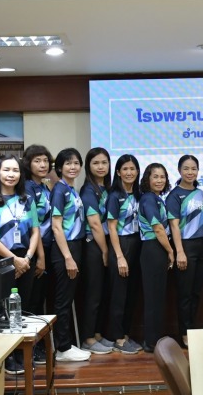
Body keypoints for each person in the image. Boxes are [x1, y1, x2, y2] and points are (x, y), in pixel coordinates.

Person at [0, 155, 40, 375]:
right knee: (2, 312)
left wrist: (28, 257)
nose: (11, 174)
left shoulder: (27, 199)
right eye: (6, 170)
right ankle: (8, 358)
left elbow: (35, 231)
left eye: (15, 170)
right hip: (1, 260)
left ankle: (24, 354)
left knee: (22, 310)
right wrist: (14, 260)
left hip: (26, 257)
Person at [49, 148, 90, 362]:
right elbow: (56, 227)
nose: (73, 167)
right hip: (65, 250)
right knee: (63, 300)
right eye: (68, 163)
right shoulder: (59, 190)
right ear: (59, 167)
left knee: (68, 298)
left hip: (74, 246)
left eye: (76, 163)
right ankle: (62, 348)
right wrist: (67, 257)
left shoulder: (71, 190)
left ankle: (66, 345)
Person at [167, 155, 203, 347]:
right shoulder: (174, 195)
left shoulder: (201, 193)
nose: (190, 172)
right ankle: (184, 333)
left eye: (194, 168)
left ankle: (192, 329)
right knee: (185, 294)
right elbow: (174, 226)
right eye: (186, 168)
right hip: (185, 247)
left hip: (202, 248)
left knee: (196, 293)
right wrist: (180, 252)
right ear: (179, 170)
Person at [106, 154, 143, 354]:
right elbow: (111, 228)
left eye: (133, 169)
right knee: (118, 295)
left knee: (130, 294)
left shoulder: (138, 194)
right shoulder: (114, 196)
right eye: (125, 169)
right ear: (118, 172)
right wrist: (119, 256)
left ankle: (126, 334)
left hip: (137, 245)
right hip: (121, 245)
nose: (129, 173)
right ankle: (117, 338)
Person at [78, 148, 114, 355]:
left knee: (102, 291)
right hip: (95, 245)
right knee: (93, 292)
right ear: (88, 167)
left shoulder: (107, 187)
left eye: (104, 163)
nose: (101, 167)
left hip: (105, 243)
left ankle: (98, 333)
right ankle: (88, 338)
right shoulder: (88, 190)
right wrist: (104, 250)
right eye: (96, 163)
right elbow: (94, 224)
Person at [21, 144, 52, 364]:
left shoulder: (46, 187)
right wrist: (40, 257)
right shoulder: (27, 188)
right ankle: (28, 349)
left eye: (45, 161)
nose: (42, 165)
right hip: (34, 251)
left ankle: (38, 346)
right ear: (28, 164)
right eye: (37, 161)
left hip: (48, 248)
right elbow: (35, 225)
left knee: (40, 300)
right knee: (30, 302)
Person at [138, 163, 173, 353]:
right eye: (155, 177)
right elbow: (158, 228)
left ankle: (157, 338)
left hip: (157, 249)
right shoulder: (148, 199)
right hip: (153, 249)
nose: (159, 180)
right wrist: (170, 251)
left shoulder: (158, 198)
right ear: (147, 180)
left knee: (159, 296)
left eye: (162, 177)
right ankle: (151, 341)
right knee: (153, 298)